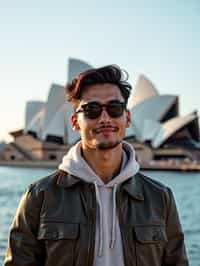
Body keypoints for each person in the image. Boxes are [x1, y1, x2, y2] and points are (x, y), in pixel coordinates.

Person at [4, 65, 188, 266]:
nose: (104, 118)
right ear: (75, 122)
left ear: (127, 118)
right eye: (92, 110)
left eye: (114, 108)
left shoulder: (160, 198)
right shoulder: (40, 196)